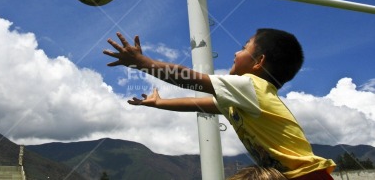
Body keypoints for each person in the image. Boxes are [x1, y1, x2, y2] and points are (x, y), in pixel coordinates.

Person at [103, 29, 336, 179]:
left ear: (259, 62)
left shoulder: (249, 85)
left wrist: (143, 62)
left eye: (244, 47)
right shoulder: (245, 100)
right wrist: (160, 103)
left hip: (307, 176)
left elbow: (189, 78)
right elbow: (199, 104)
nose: (236, 52)